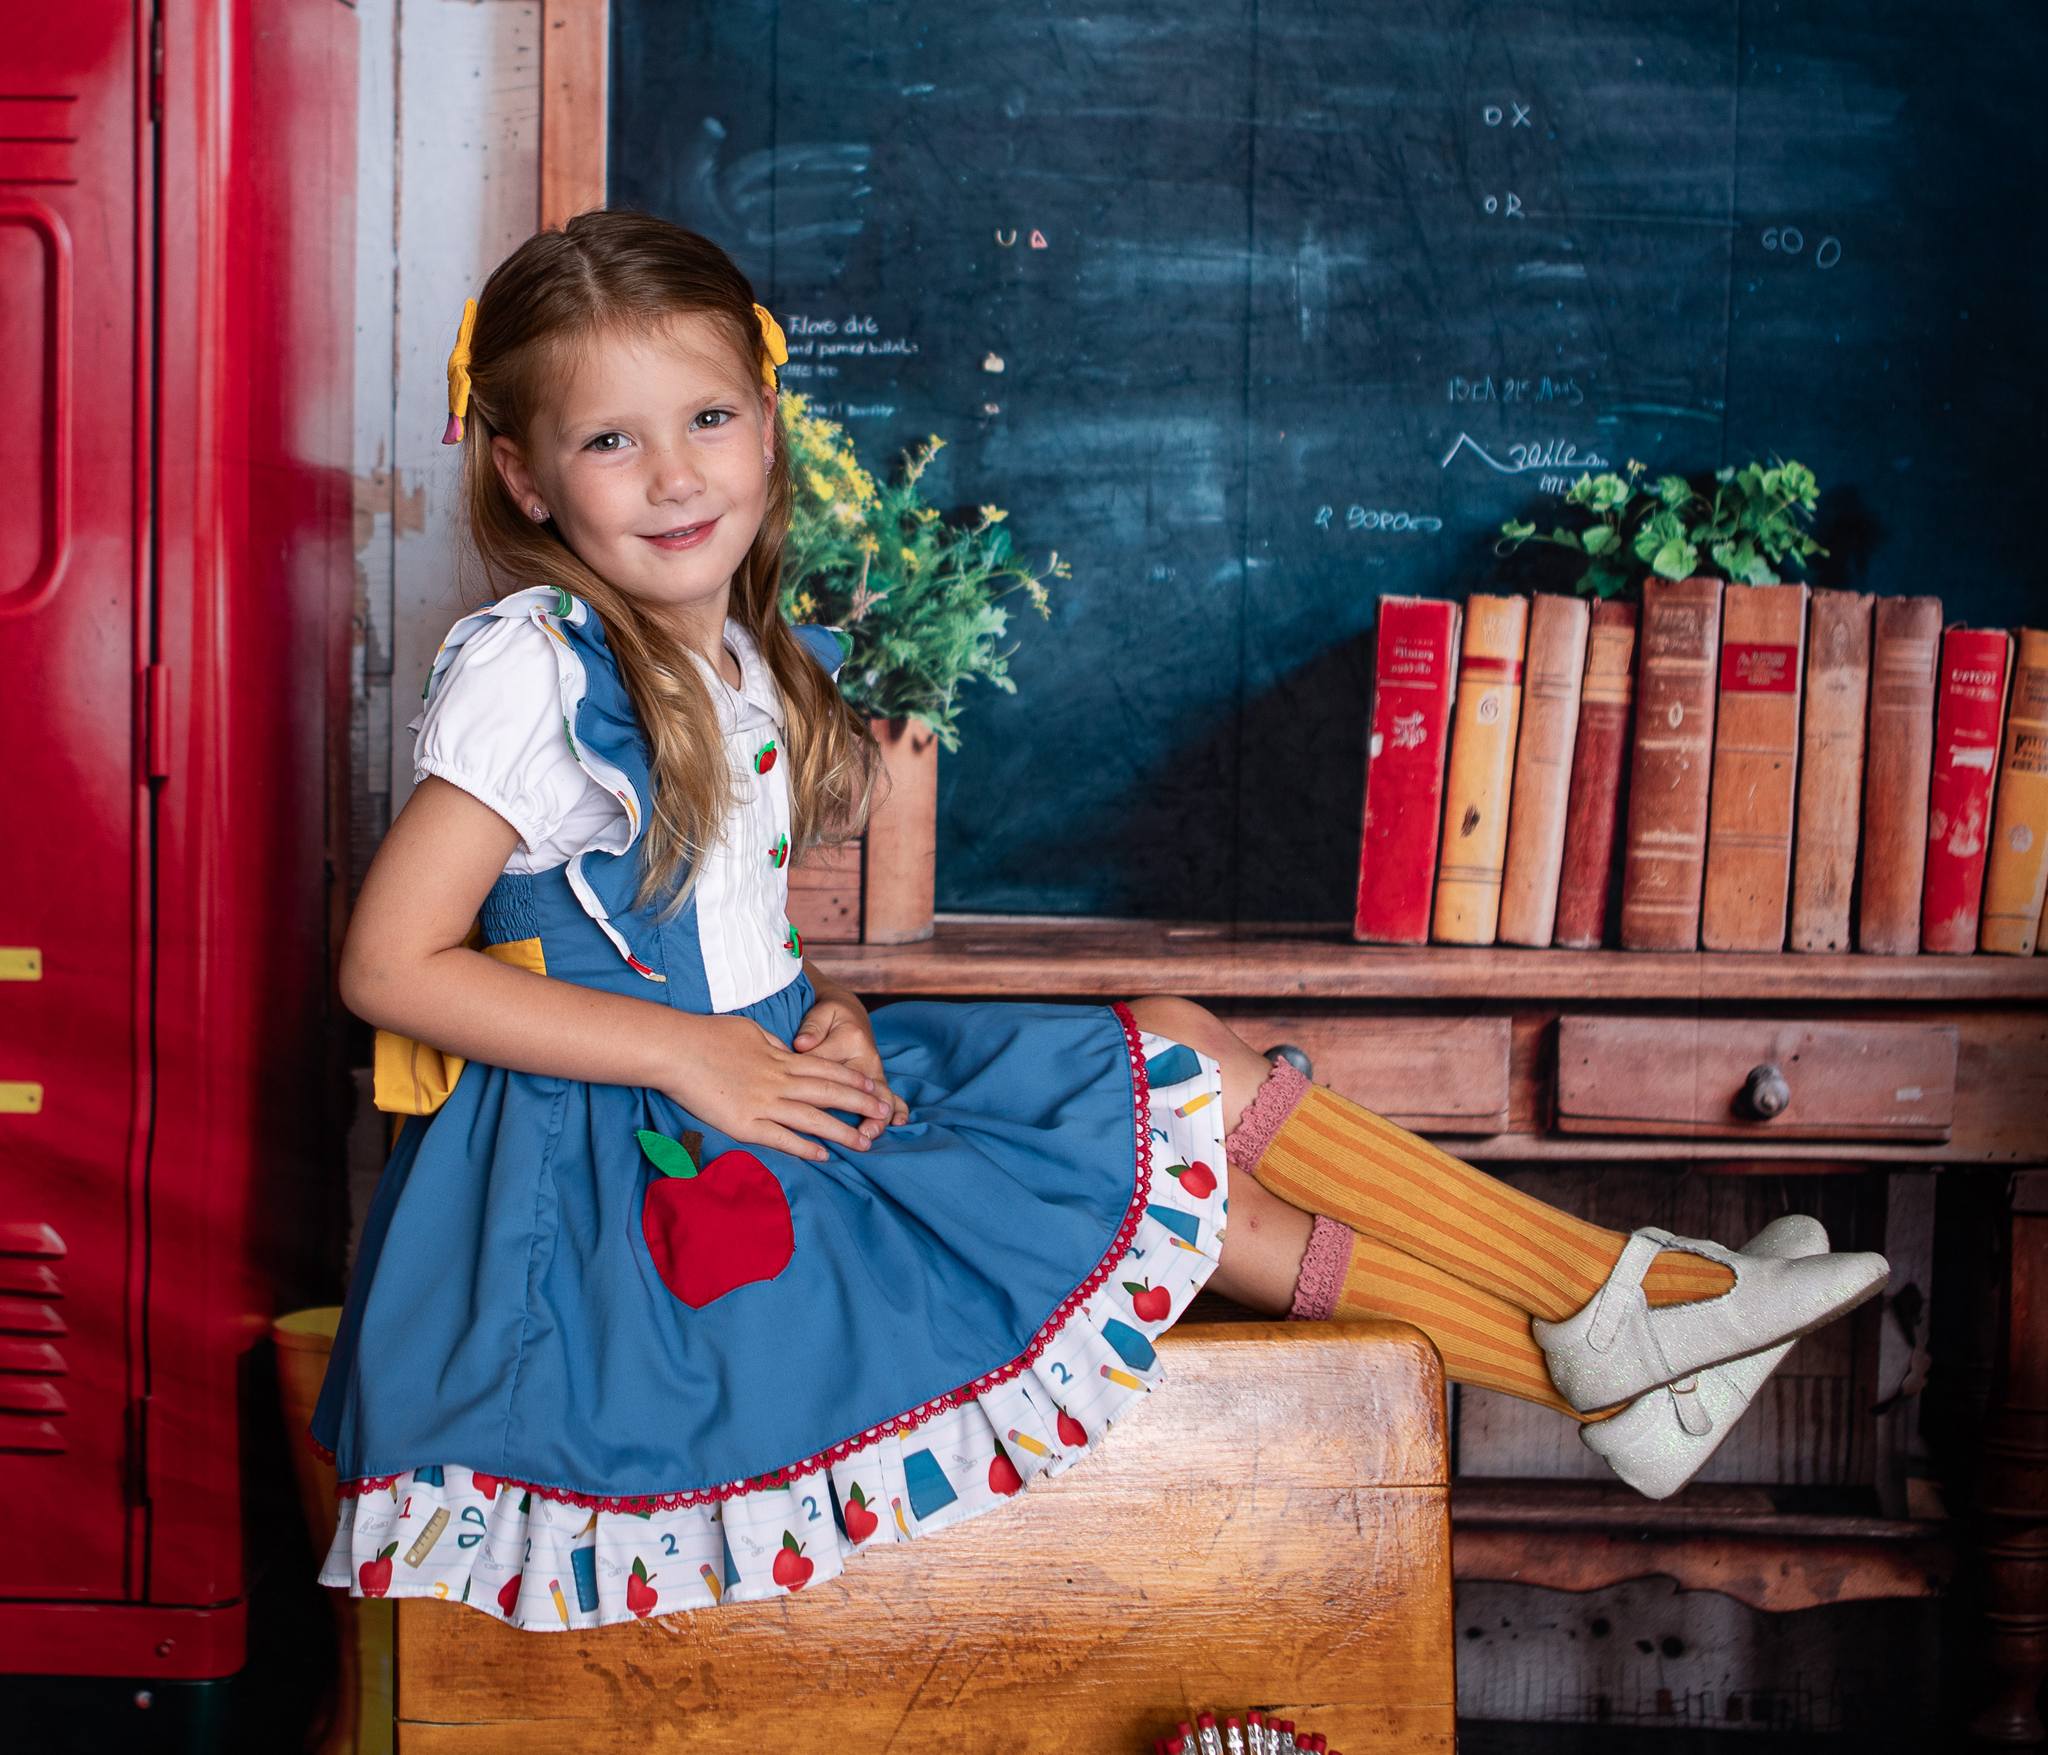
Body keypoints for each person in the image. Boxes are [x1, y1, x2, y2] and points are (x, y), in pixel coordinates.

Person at [310, 208, 1889, 1631]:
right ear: (520, 471)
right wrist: (699, 1062)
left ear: (768, 424)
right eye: (610, 441)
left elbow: (709, 926)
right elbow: (391, 964)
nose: (674, 475)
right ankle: (1640, 1323)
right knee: (1195, 1183)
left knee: (1184, 1052)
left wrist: (816, 1007)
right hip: (616, 1166)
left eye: (709, 418)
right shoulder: (538, 663)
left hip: (762, 1068)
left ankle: (1630, 1324)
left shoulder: (731, 654)